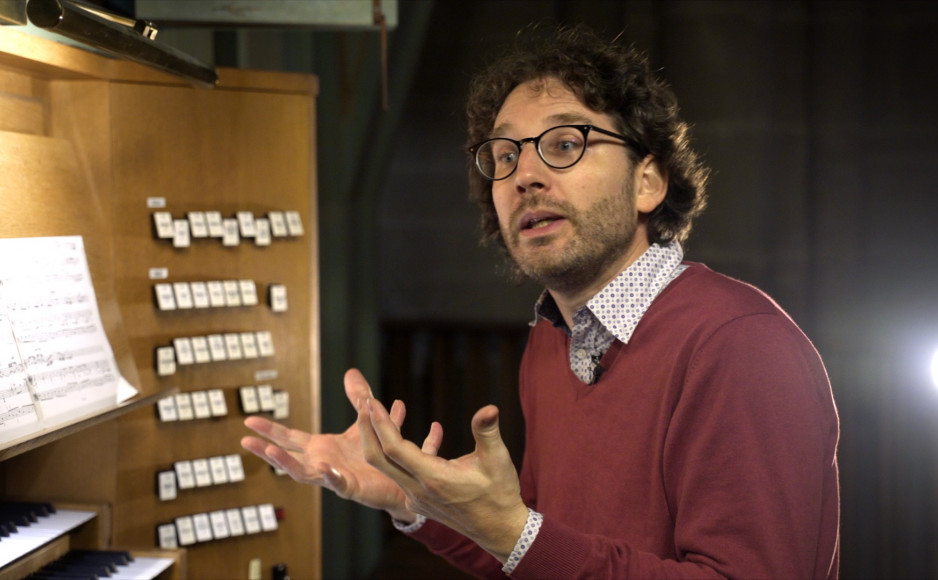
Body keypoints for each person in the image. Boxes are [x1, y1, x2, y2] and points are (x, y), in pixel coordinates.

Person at [242, 25, 840, 579]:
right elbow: (540, 551)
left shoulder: (741, 344)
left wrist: (513, 531)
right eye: (505, 156)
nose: (525, 174)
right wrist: (413, 499)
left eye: (564, 143)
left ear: (647, 182)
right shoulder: (554, 337)